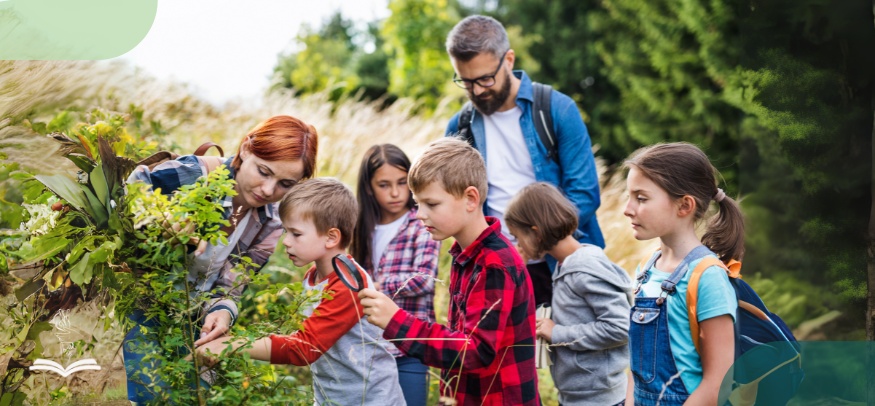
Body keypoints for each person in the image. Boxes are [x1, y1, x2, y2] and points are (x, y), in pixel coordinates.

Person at [123, 115, 317, 403]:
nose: (268, 190)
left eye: (285, 183)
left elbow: (231, 284)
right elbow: (134, 181)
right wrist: (159, 219)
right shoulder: (198, 175)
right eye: (263, 172)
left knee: (194, 395)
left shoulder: (271, 221)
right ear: (246, 149)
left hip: (195, 315)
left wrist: (223, 311)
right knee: (151, 393)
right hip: (147, 300)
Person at [358, 138, 539, 406]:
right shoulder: (465, 256)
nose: (419, 214)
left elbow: (475, 351)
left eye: (431, 204)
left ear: (470, 199)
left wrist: (396, 321)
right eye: (418, 203)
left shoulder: (494, 264)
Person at [194, 178, 406, 406]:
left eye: (296, 233)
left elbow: (305, 348)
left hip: (371, 400)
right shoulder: (313, 276)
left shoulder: (349, 283)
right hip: (330, 398)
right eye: (285, 231)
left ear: (331, 237)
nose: (286, 241)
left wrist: (232, 345)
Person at [444, 15, 603, 306]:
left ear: (509, 59)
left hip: (563, 266)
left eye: (485, 79)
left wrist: (531, 245)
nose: (477, 91)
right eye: (465, 82)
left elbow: (584, 194)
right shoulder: (459, 127)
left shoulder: (557, 109)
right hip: (493, 270)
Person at [624, 143, 740, 406]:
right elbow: (636, 367)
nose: (627, 209)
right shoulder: (645, 269)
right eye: (628, 196)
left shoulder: (707, 276)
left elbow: (717, 384)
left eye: (641, 198)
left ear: (684, 205)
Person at [505, 182, 632, 406]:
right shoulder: (564, 266)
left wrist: (557, 333)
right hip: (576, 396)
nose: (518, 245)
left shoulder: (584, 270)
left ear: (536, 233)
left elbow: (621, 327)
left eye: (517, 237)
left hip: (601, 400)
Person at [349, 144, 441, 406]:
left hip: (409, 345)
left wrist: (376, 287)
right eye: (384, 185)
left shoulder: (422, 222)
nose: (395, 193)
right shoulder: (360, 228)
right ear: (369, 187)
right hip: (369, 347)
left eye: (402, 182)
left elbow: (425, 279)